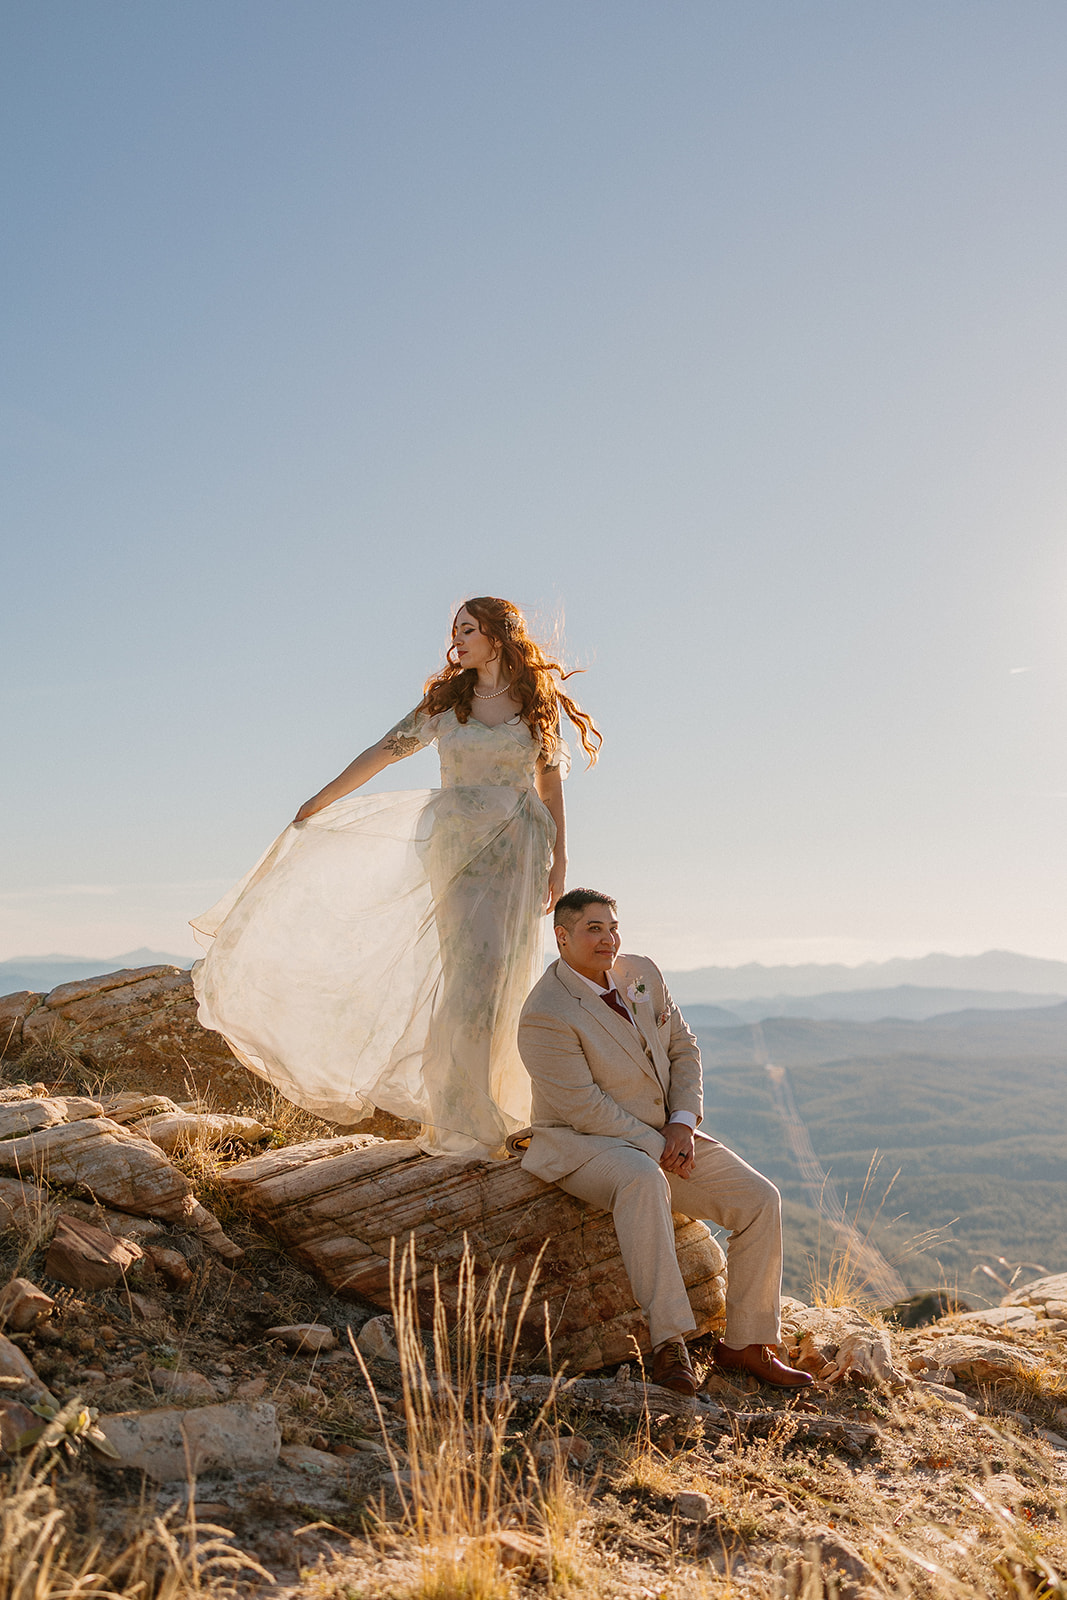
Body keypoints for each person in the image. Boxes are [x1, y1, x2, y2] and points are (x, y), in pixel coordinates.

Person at [191, 597, 601, 1158]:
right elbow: (383, 751)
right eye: (455, 630)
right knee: (469, 972)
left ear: (498, 638)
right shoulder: (447, 702)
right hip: (456, 844)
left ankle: (488, 1099)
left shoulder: (536, 702)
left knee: (503, 974)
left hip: (517, 849)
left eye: (469, 630)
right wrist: (320, 799)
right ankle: (460, 1108)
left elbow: (550, 787)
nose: (457, 640)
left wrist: (560, 861)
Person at [516, 889, 813, 1395]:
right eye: (593, 929)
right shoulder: (545, 1012)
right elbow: (582, 1107)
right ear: (561, 937)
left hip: (666, 1133)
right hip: (583, 1143)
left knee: (760, 1199)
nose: (608, 938)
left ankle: (747, 1344)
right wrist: (659, 1147)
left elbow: (683, 1047)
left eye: (612, 927)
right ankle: (669, 1342)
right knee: (642, 1179)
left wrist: (681, 1122)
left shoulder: (642, 974)